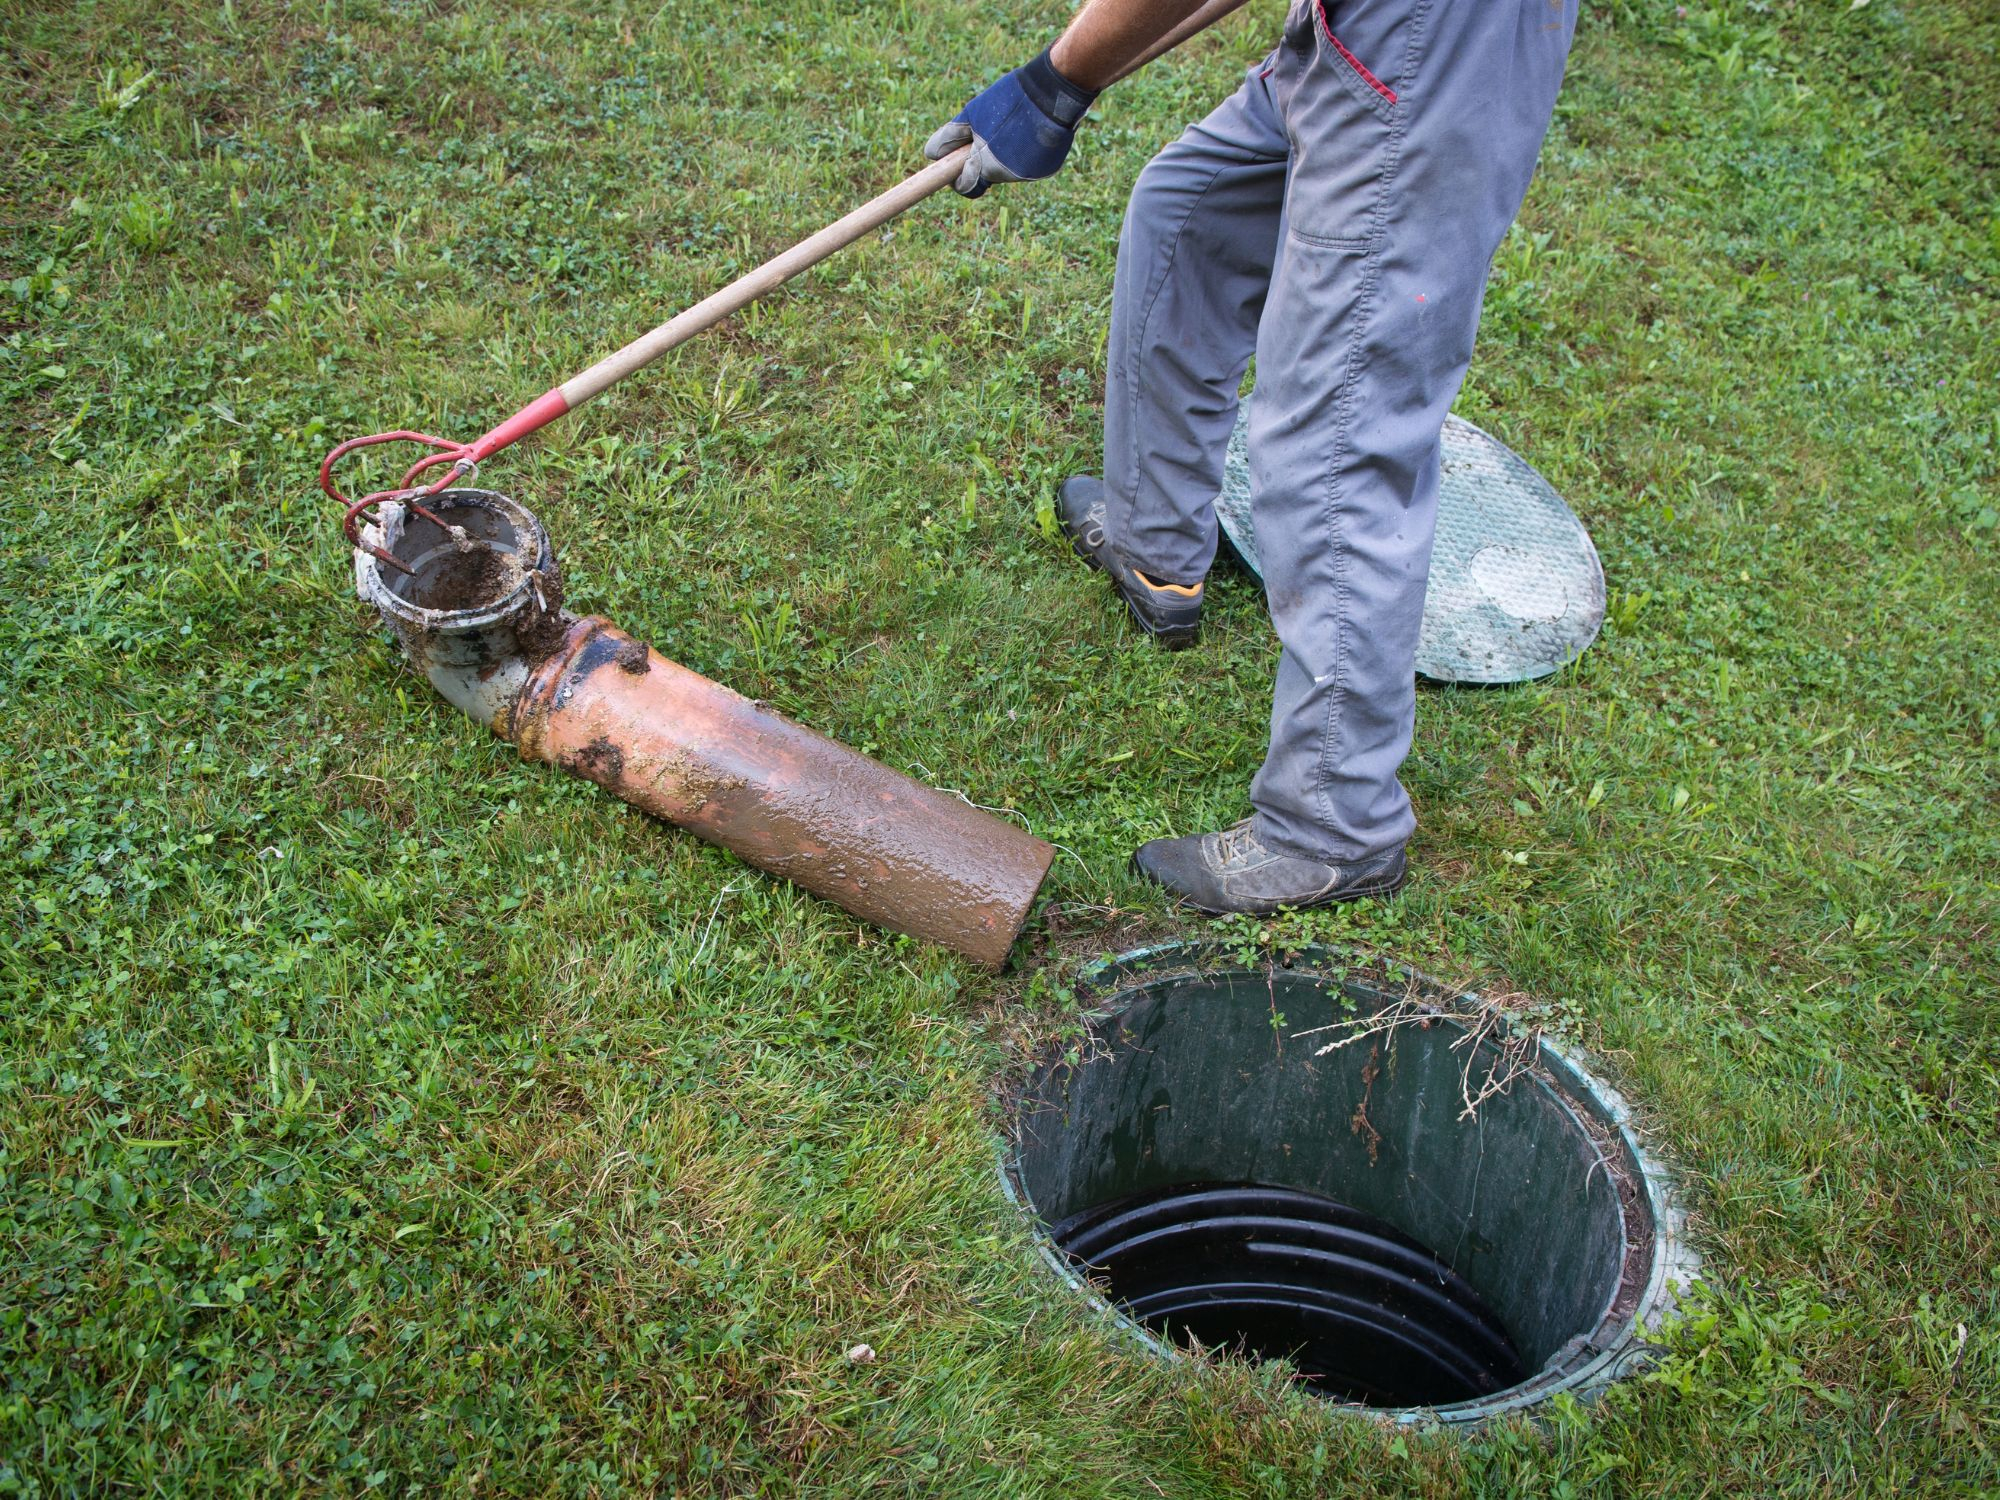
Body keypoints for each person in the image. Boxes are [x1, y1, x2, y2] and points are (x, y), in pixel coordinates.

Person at [926, 0, 1577, 915]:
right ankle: (1157, 551)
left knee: (1338, 426)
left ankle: (1333, 827)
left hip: (1434, 42)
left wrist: (1056, 82)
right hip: (1363, 26)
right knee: (1190, 211)